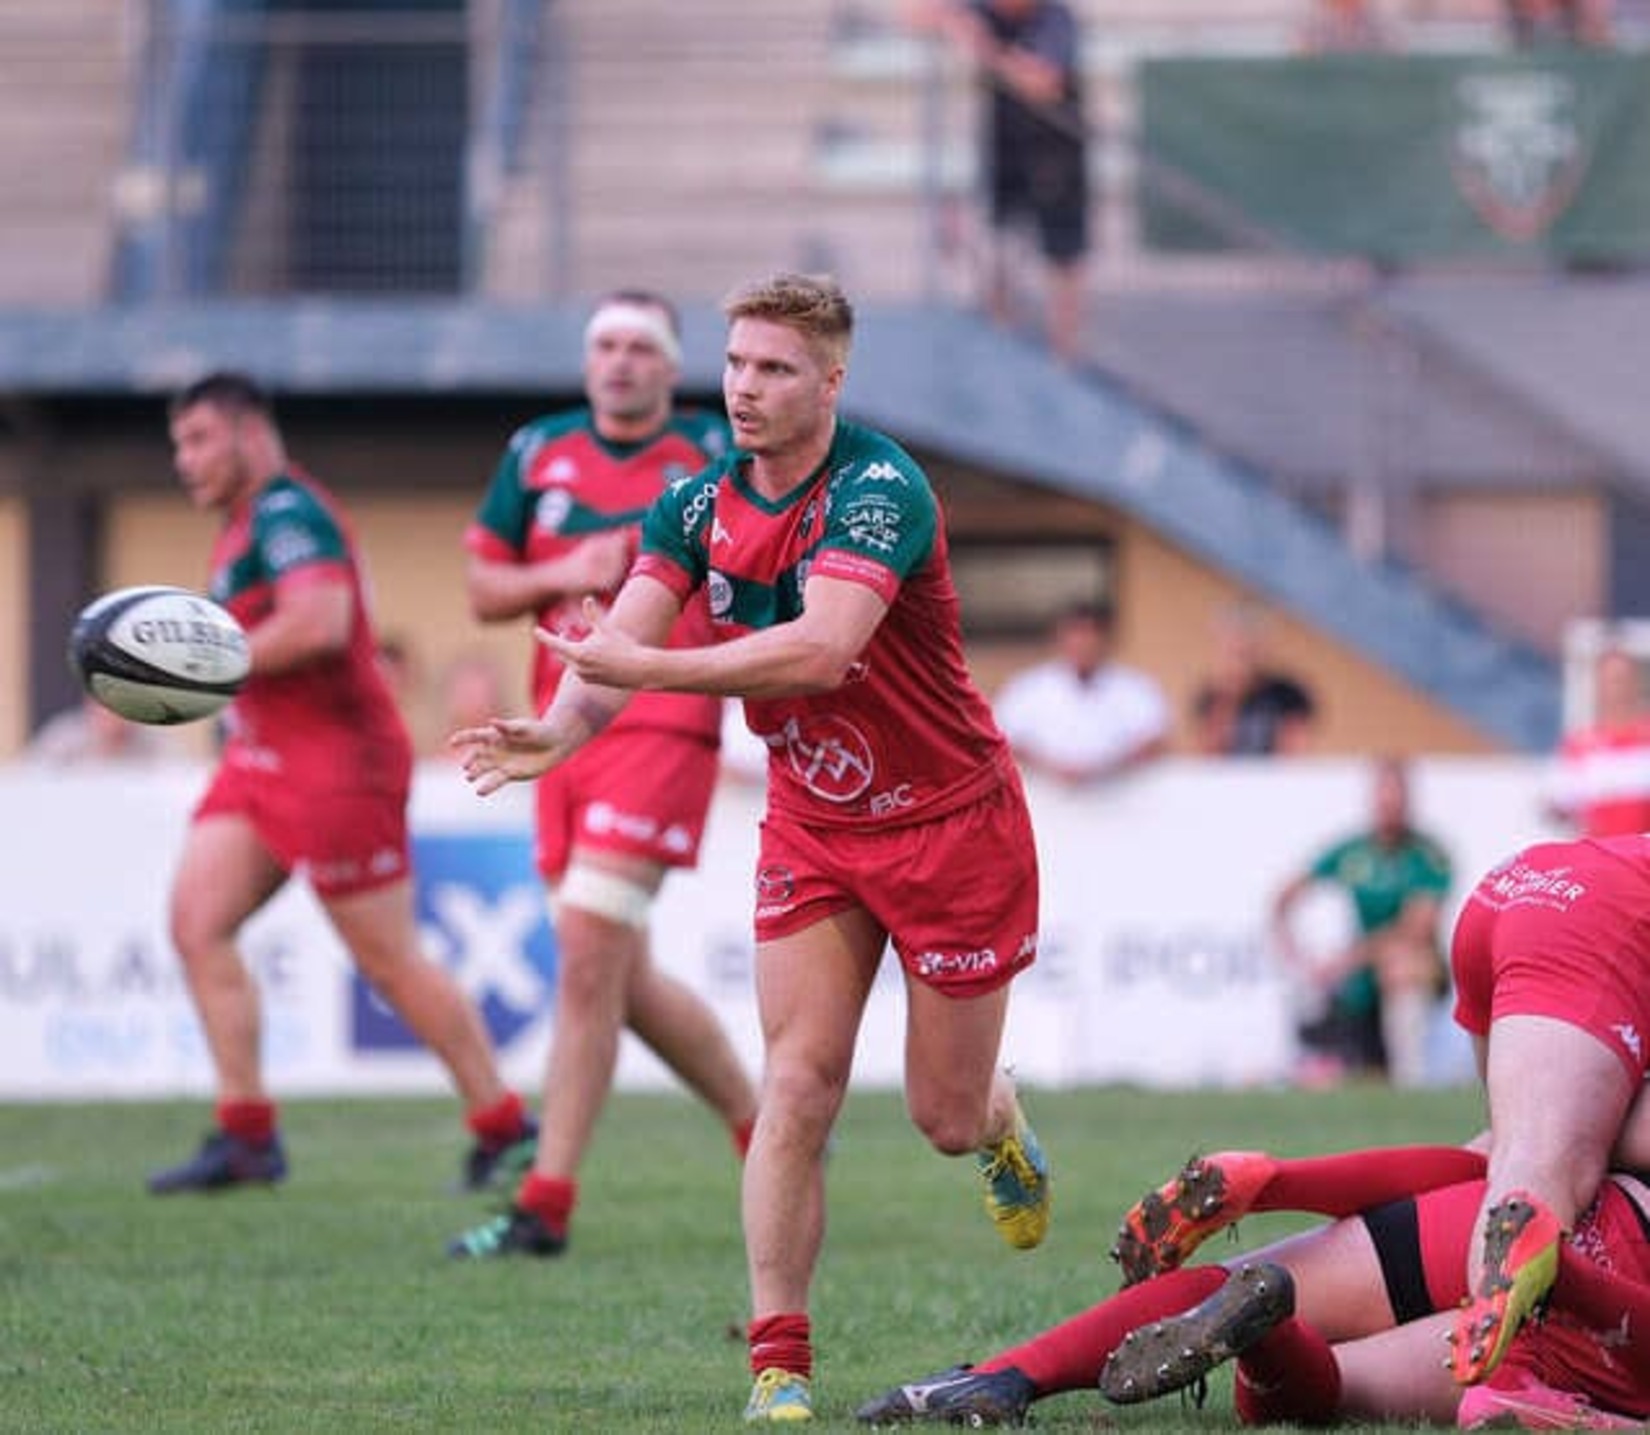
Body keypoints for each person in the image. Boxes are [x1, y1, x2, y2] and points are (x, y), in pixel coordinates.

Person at [451, 272, 1051, 1423]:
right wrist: (560, 733)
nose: (745, 387)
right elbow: (616, 644)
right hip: (816, 830)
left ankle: (1001, 1121)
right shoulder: (691, 504)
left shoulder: (881, 487)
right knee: (798, 1083)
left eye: (774, 368)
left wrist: (645, 669)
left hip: (951, 826)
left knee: (942, 1116)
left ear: (831, 379)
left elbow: (819, 652)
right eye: (734, 364)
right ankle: (779, 1362)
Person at [148, 371, 534, 1195]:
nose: (185, 460)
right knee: (195, 922)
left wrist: (207, 659)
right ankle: (247, 1134)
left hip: (338, 765)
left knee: (389, 961)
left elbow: (319, 622)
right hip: (261, 761)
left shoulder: (289, 513)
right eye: (178, 443)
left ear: (252, 435)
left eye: (199, 439)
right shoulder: (242, 523)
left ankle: (504, 1125)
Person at [448, 291, 759, 1261]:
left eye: (641, 347)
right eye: (605, 345)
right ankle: (770, 1129)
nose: (621, 362)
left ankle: (546, 1203)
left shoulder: (716, 451)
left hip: (664, 716)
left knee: (588, 949)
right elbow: (483, 587)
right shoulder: (537, 449)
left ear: (672, 368)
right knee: (614, 973)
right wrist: (562, 571)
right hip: (560, 728)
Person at [858, 1141, 1650, 1427]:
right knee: (1328, 1386)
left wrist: (1284, 1182)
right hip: (1619, 1306)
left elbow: (1491, 1152)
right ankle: (1267, 1335)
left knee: (1512, 1158)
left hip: (1550, 1207)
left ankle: (1005, 1376)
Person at [1443, 829, 1650, 1388]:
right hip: (1597, 916)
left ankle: (1233, 1263)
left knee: (1508, 1147)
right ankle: (1506, 1380)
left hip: (1523, 881)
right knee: (1539, 1166)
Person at [906, 0, 1090, 363]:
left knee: (1064, 256)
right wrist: (949, 17)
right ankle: (1002, 343)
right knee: (997, 246)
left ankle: (1065, 358)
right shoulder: (983, 10)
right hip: (1003, 147)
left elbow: (1042, 81)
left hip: (1057, 153)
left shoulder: (1056, 18)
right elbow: (915, 14)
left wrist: (983, 48)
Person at [1271, 756, 1453, 1088]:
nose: (1390, 804)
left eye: (1397, 794)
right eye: (1384, 794)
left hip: (1410, 968)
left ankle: (1409, 1080)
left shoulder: (1429, 855)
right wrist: (1297, 954)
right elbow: (1283, 899)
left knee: (1401, 966)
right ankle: (1306, 1068)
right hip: (1359, 974)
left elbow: (1415, 930)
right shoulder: (1353, 851)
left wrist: (1344, 961)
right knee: (1307, 983)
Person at [991, 600, 1170, 786]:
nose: (1084, 643)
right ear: (1059, 638)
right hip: (1044, 801)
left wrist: (1104, 768)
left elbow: (1155, 741)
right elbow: (1001, 743)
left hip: (1117, 801)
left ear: (1107, 639)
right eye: (1076, 633)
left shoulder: (1136, 688)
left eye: (1091, 633)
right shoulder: (1027, 688)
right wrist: (1050, 768)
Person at [1545, 645, 1650, 837]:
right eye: (1610, 680)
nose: (1617, 688)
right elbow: (1560, 804)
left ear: (1636, 683)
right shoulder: (1580, 744)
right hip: (1602, 855)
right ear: (1599, 685)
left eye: (1622, 679)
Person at [1188, 602, 1319, 756]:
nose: (1241, 653)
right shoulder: (1211, 696)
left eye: (1248, 646)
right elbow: (1207, 754)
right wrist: (1229, 697)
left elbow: (1295, 751)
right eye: (1233, 647)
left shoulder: (1288, 695)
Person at [23, 694, 176, 764]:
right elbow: (29, 781)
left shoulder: (154, 741)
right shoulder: (64, 738)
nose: (110, 712)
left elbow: (177, 779)